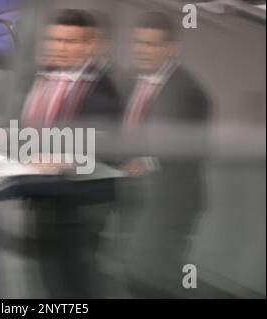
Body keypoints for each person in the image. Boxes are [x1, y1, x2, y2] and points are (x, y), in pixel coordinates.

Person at [17, 9, 121, 298]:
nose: (59, 48)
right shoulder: (40, 77)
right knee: (50, 276)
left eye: (69, 42)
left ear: (89, 46)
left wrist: (63, 159)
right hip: (43, 195)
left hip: (81, 206)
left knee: (78, 282)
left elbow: (103, 144)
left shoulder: (104, 90)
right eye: (54, 40)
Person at [116, 12, 210, 298]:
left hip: (171, 201)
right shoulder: (132, 83)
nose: (143, 51)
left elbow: (185, 148)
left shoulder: (189, 91)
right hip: (135, 194)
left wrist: (145, 161)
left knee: (149, 275)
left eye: (152, 45)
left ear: (171, 49)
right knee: (137, 272)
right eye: (139, 44)